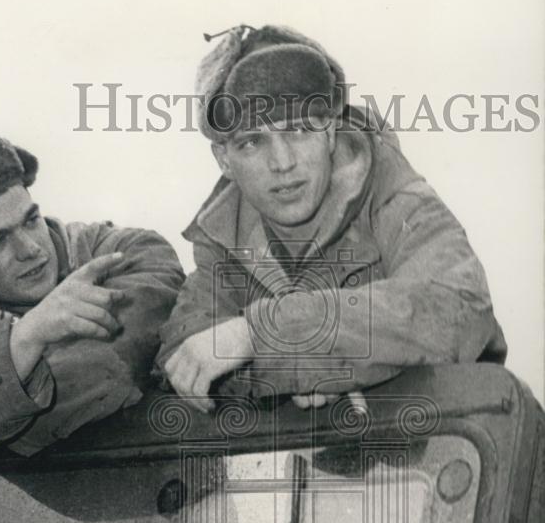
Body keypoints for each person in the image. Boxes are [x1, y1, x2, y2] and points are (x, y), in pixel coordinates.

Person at [157, 24, 507, 411]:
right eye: (252, 141)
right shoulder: (223, 237)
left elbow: (456, 305)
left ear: (329, 131)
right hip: (315, 463)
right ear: (224, 159)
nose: (283, 162)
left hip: (451, 444)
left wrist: (266, 337)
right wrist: (303, 372)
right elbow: (185, 352)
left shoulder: (393, 195)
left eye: (300, 130)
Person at [0, 121, 184, 468]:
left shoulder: (127, 253)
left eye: (31, 220)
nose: (30, 248)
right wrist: (27, 337)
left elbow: (111, 367)